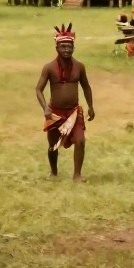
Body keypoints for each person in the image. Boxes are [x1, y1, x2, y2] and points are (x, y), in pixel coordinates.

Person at [35, 24, 95, 182]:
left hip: (74, 112)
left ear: (73, 47)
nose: (67, 49)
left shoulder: (79, 66)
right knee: (52, 145)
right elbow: (38, 90)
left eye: (69, 46)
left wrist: (91, 106)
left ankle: (77, 175)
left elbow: (86, 86)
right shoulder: (48, 68)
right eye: (63, 46)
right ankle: (54, 172)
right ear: (57, 47)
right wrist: (45, 108)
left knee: (80, 140)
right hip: (55, 113)